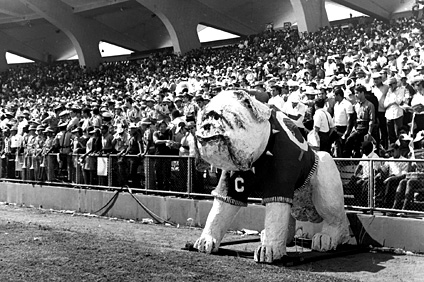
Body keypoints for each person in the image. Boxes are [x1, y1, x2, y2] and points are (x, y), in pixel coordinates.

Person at [344, 85, 376, 157]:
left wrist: (369, 133)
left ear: (362, 93)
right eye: (355, 93)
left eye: (357, 93)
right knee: (350, 142)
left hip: (365, 128)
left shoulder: (370, 105)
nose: (356, 95)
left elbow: (372, 120)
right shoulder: (355, 106)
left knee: (360, 145)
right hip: (357, 128)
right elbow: (354, 119)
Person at [333, 88, 354, 156]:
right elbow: (335, 116)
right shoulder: (336, 105)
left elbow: (349, 118)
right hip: (336, 127)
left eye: (334, 95)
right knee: (337, 145)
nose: (334, 97)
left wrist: (347, 130)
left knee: (345, 145)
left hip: (344, 128)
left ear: (338, 95)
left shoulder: (347, 104)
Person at [153, 120, 173, 190]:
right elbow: (156, 141)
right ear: (159, 127)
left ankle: (167, 188)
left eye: (164, 127)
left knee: (167, 172)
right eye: (161, 127)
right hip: (159, 156)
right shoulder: (156, 133)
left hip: (167, 156)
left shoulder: (168, 133)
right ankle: (159, 188)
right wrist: (165, 141)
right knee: (159, 173)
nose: (163, 128)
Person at [384, 77, 404, 145]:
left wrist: (391, 103)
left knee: (398, 133)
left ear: (395, 84)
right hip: (389, 115)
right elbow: (385, 104)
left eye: (391, 84)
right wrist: (392, 102)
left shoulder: (401, 90)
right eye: (389, 85)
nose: (389, 86)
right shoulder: (389, 92)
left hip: (397, 114)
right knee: (391, 134)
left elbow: (398, 101)